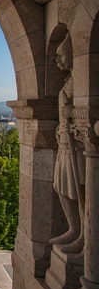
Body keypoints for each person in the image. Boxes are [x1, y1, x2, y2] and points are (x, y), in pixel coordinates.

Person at [50, 34, 85, 254]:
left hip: (79, 146)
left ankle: (81, 233)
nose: (57, 61)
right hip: (64, 143)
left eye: (60, 56)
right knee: (61, 187)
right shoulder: (69, 81)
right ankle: (74, 229)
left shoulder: (84, 81)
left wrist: (72, 112)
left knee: (80, 190)